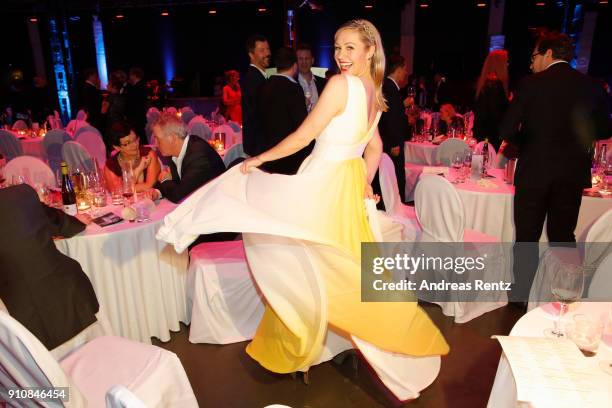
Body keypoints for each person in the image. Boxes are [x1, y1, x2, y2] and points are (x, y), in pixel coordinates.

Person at [156, 19, 448, 400]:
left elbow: (303, 137)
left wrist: (259, 157)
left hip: (322, 185)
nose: (341, 56)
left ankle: (310, 346)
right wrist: (362, 178)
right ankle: (341, 345)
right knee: (334, 267)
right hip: (343, 188)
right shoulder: (373, 89)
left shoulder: (341, 85)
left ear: (369, 50)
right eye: (338, 47)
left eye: (350, 48)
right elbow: (373, 146)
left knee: (305, 263)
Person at [499, 31, 610, 301]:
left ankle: (521, 295)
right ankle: (564, 294)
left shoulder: (531, 84)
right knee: (563, 236)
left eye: (534, 55)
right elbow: (606, 127)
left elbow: (506, 129)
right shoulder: (592, 85)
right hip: (571, 174)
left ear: (548, 54)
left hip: (534, 172)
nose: (531, 61)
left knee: (527, 237)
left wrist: (529, 143)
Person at [0, 184, 99, 350]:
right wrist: (77, 222)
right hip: (60, 297)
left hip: (11, 319)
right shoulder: (20, 195)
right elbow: (62, 225)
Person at [257, 47, 310, 175]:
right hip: (291, 156)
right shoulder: (293, 88)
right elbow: (301, 125)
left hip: (269, 153)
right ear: (295, 65)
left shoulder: (265, 86)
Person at [153, 113, 225, 203]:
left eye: (158, 139)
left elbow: (178, 195)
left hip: (216, 203)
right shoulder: (175, 152)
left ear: (172, 138)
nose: (156, 144)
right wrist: (156, 192)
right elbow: (176, 183)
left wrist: (164, 180)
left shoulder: (198, 155)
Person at [372, 54, 409, 206]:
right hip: (392, 143)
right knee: (393, 177)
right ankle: (394, 206)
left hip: (389, 141)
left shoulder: (387, 86)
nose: (406, 73)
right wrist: (394, 143)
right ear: (398, 69)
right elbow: (390, 118)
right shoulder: (390, 88)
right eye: (405, 69)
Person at [103, 120, 160, 193]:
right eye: (127, 143)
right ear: (117, 147)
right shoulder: (111, 166)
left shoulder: (148, 154)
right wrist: (139, 169)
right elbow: (116, 191)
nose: (134, 145)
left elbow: (149, 186)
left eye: (135, 140)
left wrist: (126, 188)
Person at [241, 34, 271, 156]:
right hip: (260, 147)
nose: (267, 53)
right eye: (262, 50)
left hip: (259, 146)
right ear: (251, 55)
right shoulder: (254, 80)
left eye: (268, 49)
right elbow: (262, 116)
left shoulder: (258, 77)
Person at [473, 50, 509, 150]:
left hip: (483, 134)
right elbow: (496, 115)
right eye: (506, 61)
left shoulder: (485, 82)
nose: (507, 64)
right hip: (491, 136)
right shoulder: (495, 85)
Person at [296, 43, 327, 111]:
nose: (304, 62)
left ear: (312, 60)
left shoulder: (323, 83)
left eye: (307, 58)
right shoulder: (292, 84)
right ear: (296, 62)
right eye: (300, 59)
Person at [126, 67, 148, 141]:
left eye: (130, 75)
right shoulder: (140, 86)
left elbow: (134, 104)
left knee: (140, 137)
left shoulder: (137, 87)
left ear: (134, 75)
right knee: (140, 136)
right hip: (139, 117)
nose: (129, 77)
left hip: (137, 118)